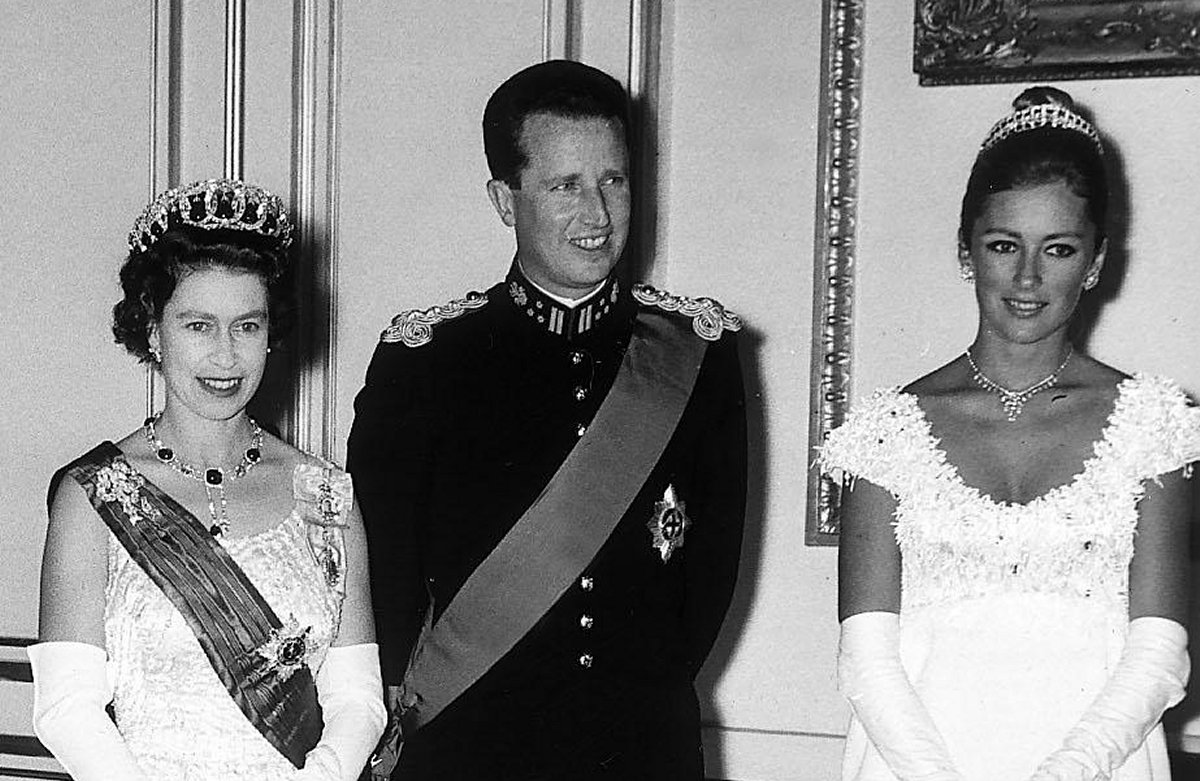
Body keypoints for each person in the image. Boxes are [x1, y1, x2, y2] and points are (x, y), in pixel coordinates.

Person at [348, 60, 748, 780]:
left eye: (614, 180)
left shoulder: (698, 355)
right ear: (505, 199)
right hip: (473, 745)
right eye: (565, 185)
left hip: (643, 747)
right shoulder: (427, 363)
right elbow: (387, 587)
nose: (597, 214)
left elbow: (706, 589)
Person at [823, 87, 1199, 781]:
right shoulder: (887, 431)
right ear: (967, 251)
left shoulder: (1154, 424)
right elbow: (865, 656)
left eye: (1058, 249)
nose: (1028, 277)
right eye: (1004, 245)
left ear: (1094, 261)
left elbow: (1159, 650)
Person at [30, 178, 386, 780]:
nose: (226, 356)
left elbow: (358, 700)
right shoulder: (92, 497)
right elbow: (67, 708)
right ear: (151, 330)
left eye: (247, 325)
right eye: (198, 325)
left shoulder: (327, 496)